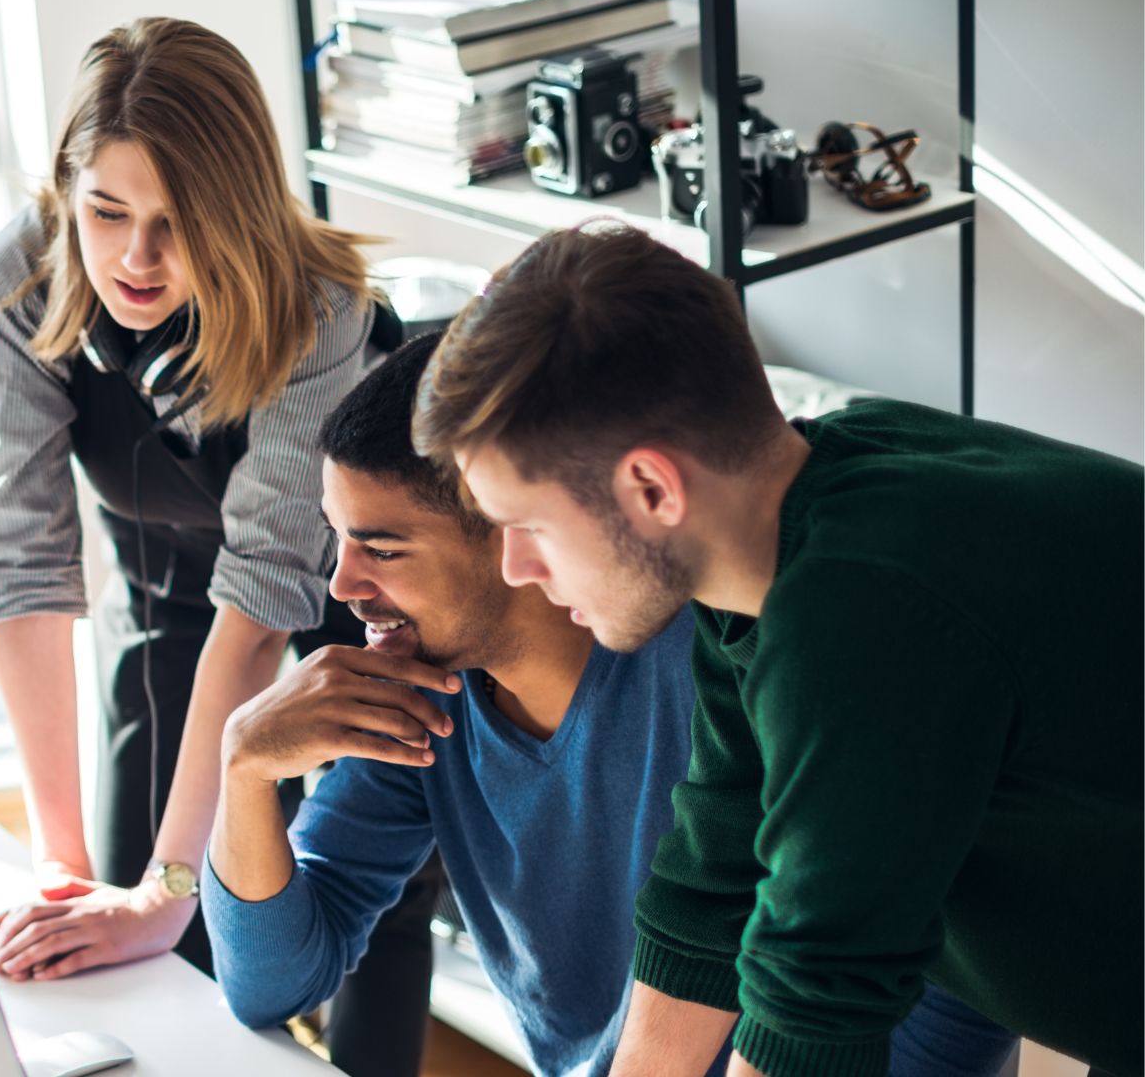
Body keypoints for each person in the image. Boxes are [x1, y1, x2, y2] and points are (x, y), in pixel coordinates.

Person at [412, 223, 1143, 1077]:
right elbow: (712, 883)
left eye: (528, 526)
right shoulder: (779, 550)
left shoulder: (868, 609)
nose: (516, 568)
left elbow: (816, 999)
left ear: (651, 487)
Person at [203, 332, 1018, 1077]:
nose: (343, 586)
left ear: (513, 531)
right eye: (337, 539)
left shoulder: (729, 658)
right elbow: (272, 985)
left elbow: (951, 972)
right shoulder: (417, 695)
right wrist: (243, 767)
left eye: (381, 548)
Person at [0, 17, 433, 1075]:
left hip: (340, 622)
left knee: (354, 905)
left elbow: (264, 601)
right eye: (106, 212)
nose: (135, 256)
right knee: (138, 934)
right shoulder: (17, 284)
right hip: (163, 600)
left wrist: (168, 894)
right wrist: (63, 864)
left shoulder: (319, 312)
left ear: (238, 211)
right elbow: (17, 565)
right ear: (64, 195)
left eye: (177, 223)